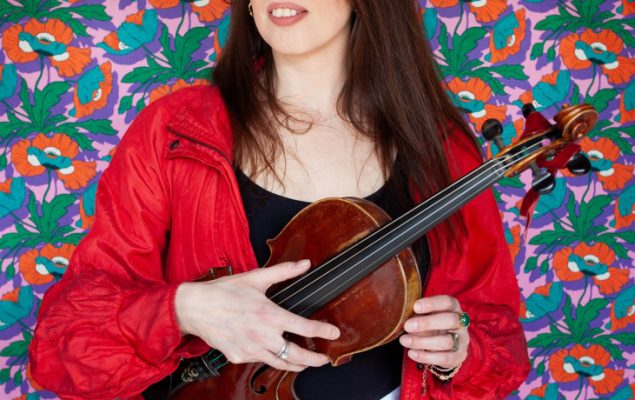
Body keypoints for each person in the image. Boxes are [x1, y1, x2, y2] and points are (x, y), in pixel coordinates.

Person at [29, 0, 530, 399]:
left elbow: (499, 338)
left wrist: (461, 349)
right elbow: (63, 341)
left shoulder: (441, 147)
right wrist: (185, 310)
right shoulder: (175, 133)